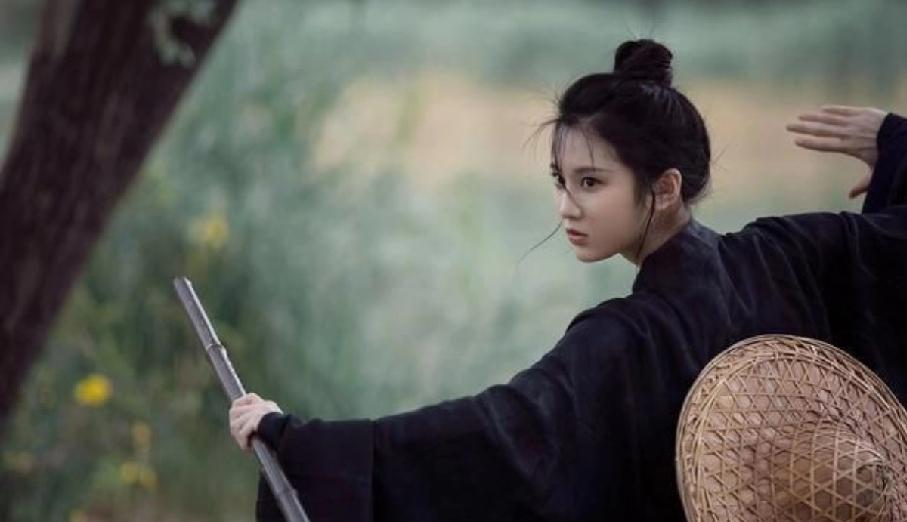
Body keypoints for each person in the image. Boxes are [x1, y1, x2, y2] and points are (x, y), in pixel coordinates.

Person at [229, 39, 907, 521]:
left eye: (590, 182)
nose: (566, 207)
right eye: (560, 180)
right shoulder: (788, 253)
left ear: (664, 187)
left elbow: (492, 439)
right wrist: (899, 146)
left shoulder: (627, 340)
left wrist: (301, 445)